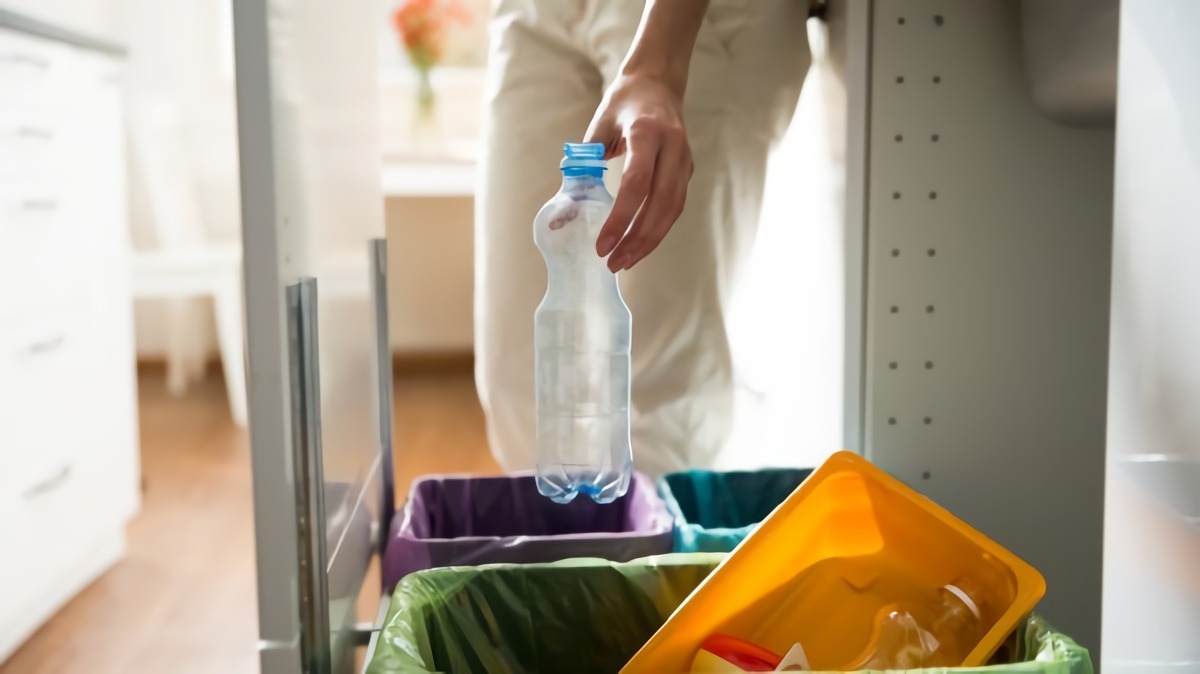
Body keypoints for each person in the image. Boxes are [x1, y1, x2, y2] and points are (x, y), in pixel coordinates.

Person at [476, 0, 816, 476]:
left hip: (695, 18)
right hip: (538, 13)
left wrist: (659, 64)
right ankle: (567, 545)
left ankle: (660, 547)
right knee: (520, 383)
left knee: (655, 403)